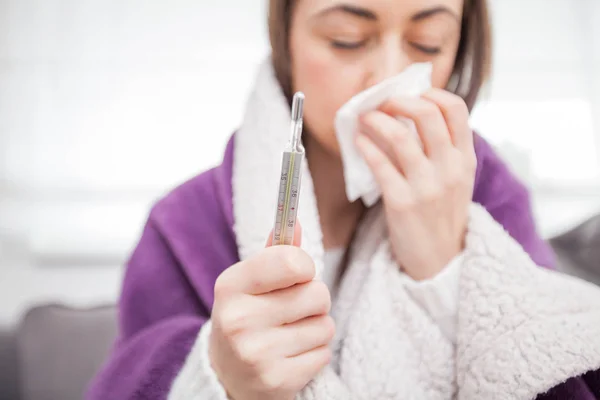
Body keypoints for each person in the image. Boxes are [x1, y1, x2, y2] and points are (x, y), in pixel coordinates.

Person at [87, 0, 600, 399]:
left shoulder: (492, 197)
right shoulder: (183, 226)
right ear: (285, 33)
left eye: (428, 42)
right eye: (347, 39)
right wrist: (217, 379)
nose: (387, 77)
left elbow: (552, 372)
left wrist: (445, 265)